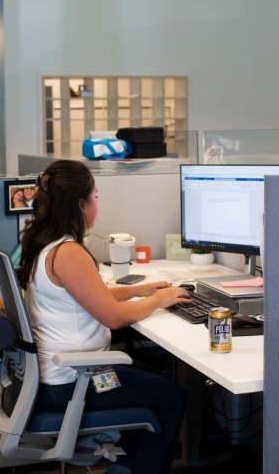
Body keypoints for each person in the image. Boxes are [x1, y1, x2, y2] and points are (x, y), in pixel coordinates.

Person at [16, 160, 191, 474]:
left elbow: (92, 294)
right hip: (74, 383)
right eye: (95, 197)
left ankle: (125, 466)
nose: (98, 204)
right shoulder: (68, 253)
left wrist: (141, 290)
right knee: (173, 397)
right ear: (80, 205)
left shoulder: (45, 244)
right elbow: (113, 317)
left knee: (150, 374)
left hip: (63, 375)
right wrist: (160, 299)